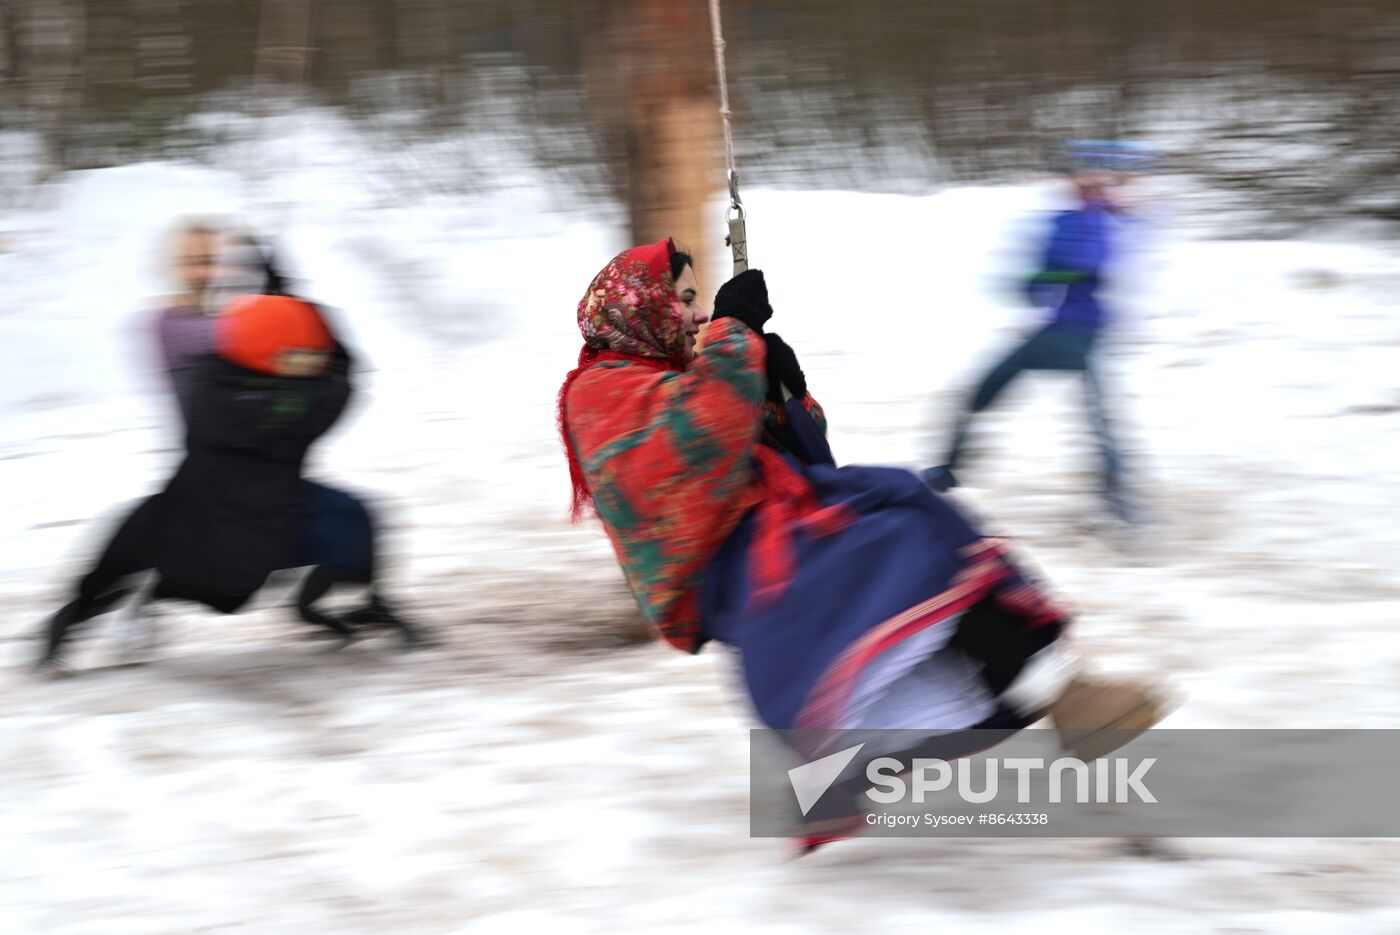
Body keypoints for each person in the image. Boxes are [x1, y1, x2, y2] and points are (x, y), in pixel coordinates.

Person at [558, 238, 1166, 850]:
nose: (694, 315)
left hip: (772, 535)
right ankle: (1057, 701)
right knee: (906, 542)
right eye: (684, 299)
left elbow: (803, 455)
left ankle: (1057, 696)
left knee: (910, 517)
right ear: (642, 306)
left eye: (697, 302)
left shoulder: (679, 374)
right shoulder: (599, 392)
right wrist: (734, 331)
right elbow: (703, 436)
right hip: (726, 570)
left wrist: (784, 392)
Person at [38, 285, 418, 670]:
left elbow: (126, 541)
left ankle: (351, 603)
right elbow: (342, 374)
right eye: (300, 357)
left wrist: (77, 607)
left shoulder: (211, 384)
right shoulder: (297, 405)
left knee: (353, 515)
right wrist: (300, 302)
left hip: (239, 533)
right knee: (349, 518)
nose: (311, 365)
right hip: (238, 547)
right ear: (263, 355)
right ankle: (341, 601)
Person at [928, 141, 1149, 522]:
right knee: (1091, 413)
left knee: (991, 391)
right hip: (1065, 328)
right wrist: (1034, 282)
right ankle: (1118, 499)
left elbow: (1087, 264)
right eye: (1078, 176)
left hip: (1076, 330)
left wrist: (1046, 276)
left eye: (1090, 177)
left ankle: (945, 473)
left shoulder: (1098, 220)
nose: (1081, 182)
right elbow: (1043, 276)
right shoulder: (1072, 218)